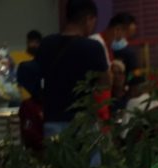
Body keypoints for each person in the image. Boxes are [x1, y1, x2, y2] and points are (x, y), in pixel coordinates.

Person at [35, 0, 109, 136]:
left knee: (58, 157)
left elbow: (38, 76)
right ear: (88, 19)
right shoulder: (93, 47)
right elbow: (104, 84)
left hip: (52, 121)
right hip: (83, 123)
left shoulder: (46, 44)